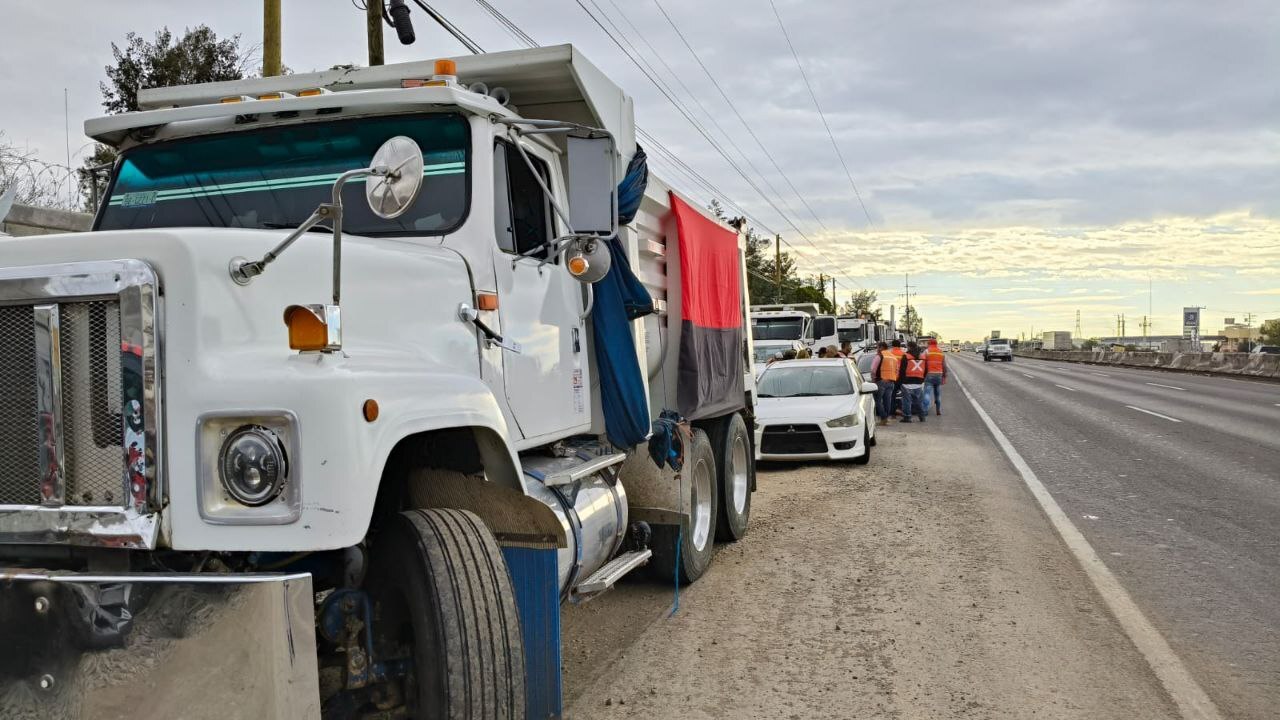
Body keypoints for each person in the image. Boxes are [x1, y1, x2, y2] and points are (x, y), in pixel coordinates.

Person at [871, 341, 898, 425]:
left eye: (878, 347)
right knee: (887, 401)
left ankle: (884, 417)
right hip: (891, 382)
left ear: (882, 347)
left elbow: (873, 369)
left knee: (877, 400)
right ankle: (885, 419)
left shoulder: (880, 355)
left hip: (881, 381)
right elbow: (897, 370)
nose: (877, 349)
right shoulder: (893, 357)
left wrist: (873, 379)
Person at [900, 342, 927, 423]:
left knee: (907, 401)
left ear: (909, 347)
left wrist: (901, 380)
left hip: (907, 382)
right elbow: (926, 369)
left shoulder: (906, 356)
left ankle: (907, 417)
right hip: (919, 382)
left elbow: (902, 370)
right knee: (919, 401)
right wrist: (922, 379)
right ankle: (922, 417)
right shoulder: (923, 356)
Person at [922, 338, 948, 416]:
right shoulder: (941, 352)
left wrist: (923, 374)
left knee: (927, 393)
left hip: (929, 374)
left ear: (929, 344)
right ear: (936, 344)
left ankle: (925, 411)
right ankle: (938, 410)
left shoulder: (926, 351)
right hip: (939, 374)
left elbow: (923, 363)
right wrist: (944, 376)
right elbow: (944, 365)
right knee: (937, 393)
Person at [890, 339, 906, 417]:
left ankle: (893, 412)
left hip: (892, 377)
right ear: (900, 345)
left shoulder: (890, 354)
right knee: (903, 394)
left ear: (892, 345)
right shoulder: (903, 354)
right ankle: (902, 410)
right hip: (901, 377)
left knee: (892, 395)